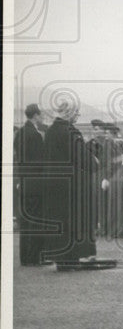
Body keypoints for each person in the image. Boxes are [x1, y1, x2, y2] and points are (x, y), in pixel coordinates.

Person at [41, 101, 98, 263]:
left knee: (60, 219)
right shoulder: (70, 131)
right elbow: (81, 157)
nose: (77, 116)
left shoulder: (50, 131)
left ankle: (61, 257)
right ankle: (76, 255)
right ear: (70, 113)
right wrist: (94, 163)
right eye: (77, 113)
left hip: (54, 183)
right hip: (73, 185)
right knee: (76, 219)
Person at [13, 104, 47, 265]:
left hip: (25, 181)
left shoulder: (19, 133)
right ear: (35, 116)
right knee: (36, 219)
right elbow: (40, 161)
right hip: (36, 182)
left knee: (26, 220)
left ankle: (26, 257)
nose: (42, 118)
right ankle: (34, 257)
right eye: (40, 115)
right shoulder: (35, 135)